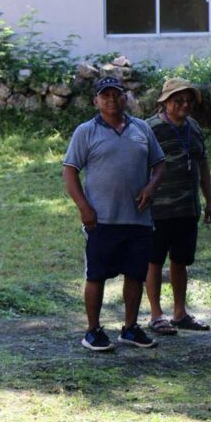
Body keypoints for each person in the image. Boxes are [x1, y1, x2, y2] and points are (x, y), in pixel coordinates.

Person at [63, 76, 166, 352]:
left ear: (124, 97)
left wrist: (151, 187)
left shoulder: (141, 128)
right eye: (104, 95)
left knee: (135, 274)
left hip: (138, 219)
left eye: (116, 94)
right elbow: (70, 171)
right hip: (101, 219)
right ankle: (93, 331)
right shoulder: (86, 131)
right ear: (95, 101)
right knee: (96, 275)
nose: (111, 100)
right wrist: (84, 207)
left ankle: (130, 328)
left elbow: (159, 164)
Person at [144, 78, 211, 335]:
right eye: (178, 100)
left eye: (189, 101)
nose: (185, 105)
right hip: (157, 210)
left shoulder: (193, 127)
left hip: (187, 208)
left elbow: (202, 165)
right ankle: (156, 315)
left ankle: (180, 313)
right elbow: (137, 166)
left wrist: (209, 200)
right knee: (153, 261)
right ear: (165, 102)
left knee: (180, 261)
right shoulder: (149, 129)